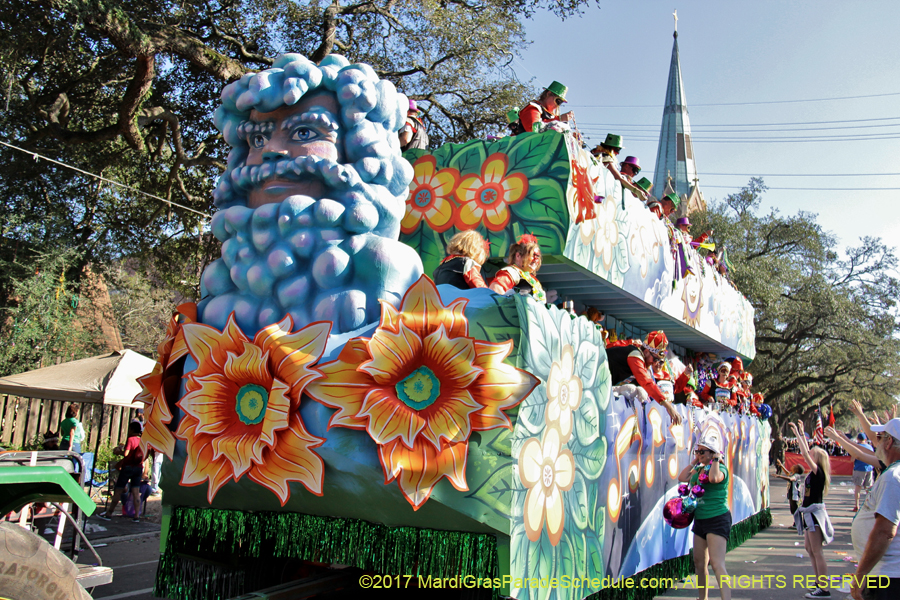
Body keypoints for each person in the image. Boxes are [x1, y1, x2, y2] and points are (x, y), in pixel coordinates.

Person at [850, 417, 900, 600]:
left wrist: (860, 575)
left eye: (880, 437)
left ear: (889, 442)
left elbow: (885, 531)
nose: (876, 442)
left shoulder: (892, 477)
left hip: (888, 576)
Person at [678, 430, 731, 600]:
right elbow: (682, 477)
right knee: (699, 563)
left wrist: (715, 458)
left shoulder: (721, 468)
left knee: (717, 564)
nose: (699, 454)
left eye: (702, 451)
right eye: (697, 451)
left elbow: (715, 478)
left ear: (713, 452)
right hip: (700, 520)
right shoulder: (699, 469)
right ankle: (703, 598)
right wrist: (695, 460)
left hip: (717, 518)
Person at [789, 420, 834, 599]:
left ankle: (823, 588)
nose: (809, 454)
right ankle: (818, 582)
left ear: (817, 458)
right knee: (809, 547)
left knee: (816, 550)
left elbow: (804, 453)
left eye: (812, 453)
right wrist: (800, 431)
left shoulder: (818, 473)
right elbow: (806, 453)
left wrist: (799, 433)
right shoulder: (812, 473)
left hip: (814, 513)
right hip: (808, 512)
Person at [606, 331, 682, 425]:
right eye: (655, 359)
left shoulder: (642, 360)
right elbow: (646, 382)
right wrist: (668, 406)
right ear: (646, 352)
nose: (655, 363)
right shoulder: (635, 355)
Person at [97, 421, 145, 522]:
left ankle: (109, 513)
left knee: (118, 490)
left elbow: (126, 454)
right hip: (138, 467)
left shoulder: (130, 439)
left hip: (127, 467)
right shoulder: (142, 440)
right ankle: (136, 516)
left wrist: (119, 452)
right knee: (136, 491)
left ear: (132, 429)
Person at [489, 234, 549, 302]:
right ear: (518, 256)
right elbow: (495, 290)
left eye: (538, 256)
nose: (536, 259)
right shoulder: (511, 272)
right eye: (532, 254)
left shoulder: (533, 279)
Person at [592, 134, 647, 201]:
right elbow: (618, 178)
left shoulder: (596, 154)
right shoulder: (605, 157)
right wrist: (636, 191)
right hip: (594, 192)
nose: (618, 153)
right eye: (617, 150)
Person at [851, 433, 875, 511]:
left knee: (858, 488)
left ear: (858, 439)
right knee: (868, 488)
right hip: (869, 468)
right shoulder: (870, 447)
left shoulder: (857, 447)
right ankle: (871, 505)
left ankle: (856, 505)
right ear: (865, 439)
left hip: (859, 469)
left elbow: (852, 459)